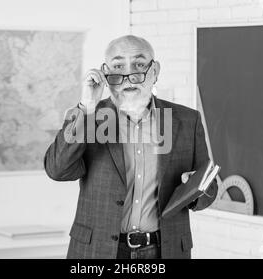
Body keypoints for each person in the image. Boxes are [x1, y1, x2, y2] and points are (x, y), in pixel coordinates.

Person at [44, 35, 218, 259]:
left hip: (164, 250)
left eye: (139, 64)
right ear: (106, 74)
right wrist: (87, 107)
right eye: (118, 66)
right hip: (99, 251)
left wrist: (194, 191)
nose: (130, 77)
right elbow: (57, 169)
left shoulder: (186, 120)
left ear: (154, 71)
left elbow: (209, 186)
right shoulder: (91, 118)